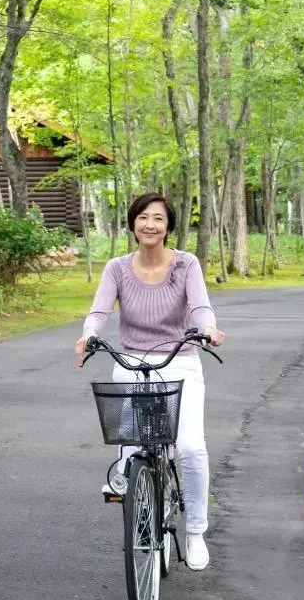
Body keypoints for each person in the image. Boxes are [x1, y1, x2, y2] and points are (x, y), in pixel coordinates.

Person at [74, 192, 224, 571]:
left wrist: (208, 330)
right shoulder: (117, 268)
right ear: (133, 224)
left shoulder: (186, 264)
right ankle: (138, 498)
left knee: (190, 448)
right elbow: (99, 311)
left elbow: (200, 306)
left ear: (168, 225)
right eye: (143, 217)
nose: (150, 225)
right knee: (130, 450)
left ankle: (195, 532)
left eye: (158, 218)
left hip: (180, 363)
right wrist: (88, 334)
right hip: (131, 363)